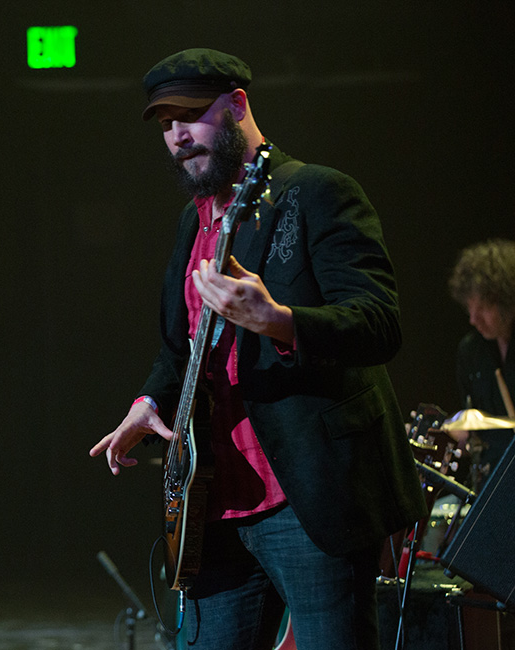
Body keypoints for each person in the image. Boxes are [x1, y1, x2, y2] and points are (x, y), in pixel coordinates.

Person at [89, 49, 426, 650]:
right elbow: (182, 348)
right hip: (213, 508)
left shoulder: (317, 193)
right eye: (166, 124)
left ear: (238, 105)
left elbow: (380, 324)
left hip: (306, 499)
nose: (177, 136)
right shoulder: (193, 224)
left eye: (191, 115)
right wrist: (150, 400)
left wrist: (279, 321)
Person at [447, 239, 515, 482]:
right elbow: (472, 424)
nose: (473, 319)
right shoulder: (471, 351)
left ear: (508, 300)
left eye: (483, 308)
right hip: (495, 480)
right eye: (469, 309)